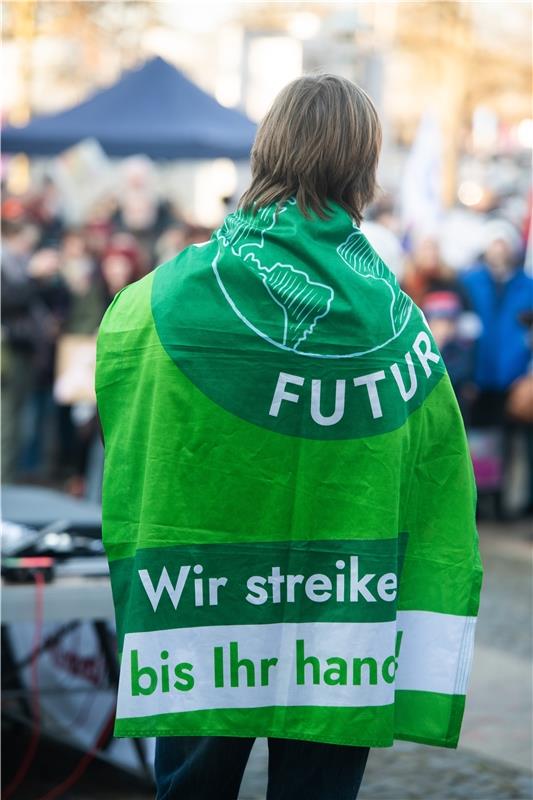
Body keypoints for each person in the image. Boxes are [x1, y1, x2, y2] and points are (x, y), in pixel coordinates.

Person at [96, 75, 482, 800]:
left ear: (265, 151)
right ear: (361, 169)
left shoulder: (169, 291)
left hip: (200, 606)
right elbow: (430, 465)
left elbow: (120, 379)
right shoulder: (392, 317)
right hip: (339, 615)